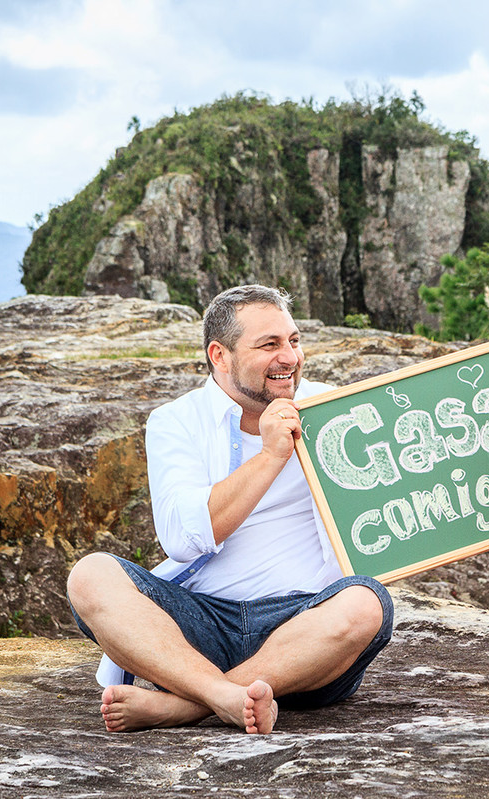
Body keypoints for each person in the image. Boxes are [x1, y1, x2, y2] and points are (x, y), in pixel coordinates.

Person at [66, 284, 393, 734]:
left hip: (303, 631)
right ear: (219, 356)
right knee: (90, 575)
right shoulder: (176, 421)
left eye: (294, 341)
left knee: (365, 603)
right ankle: (221, 693)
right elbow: (182, 538)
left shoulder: (334, 408)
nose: (289, 358)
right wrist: (270, 457)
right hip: (200, 627)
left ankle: (186, 705)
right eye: (269, 345)